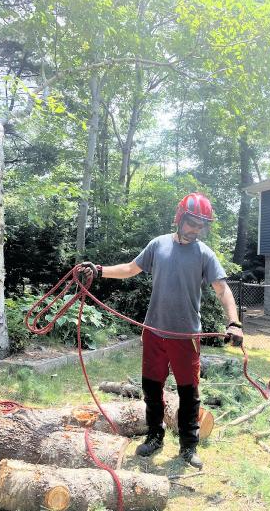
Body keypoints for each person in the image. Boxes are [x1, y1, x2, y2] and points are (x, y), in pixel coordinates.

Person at [81, 192, 243, 469]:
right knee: (152, 388)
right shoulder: (158, 245)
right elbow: (131, 269)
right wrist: (100, 270)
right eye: (192, 222)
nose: (195, 229)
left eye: (201, 225)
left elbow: (222, 289)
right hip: (153, 332)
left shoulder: (204, 254)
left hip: (186, 336)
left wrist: (234, 322)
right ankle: (155, 436)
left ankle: (188, 446)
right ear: (180, 217)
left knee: (188, 392)